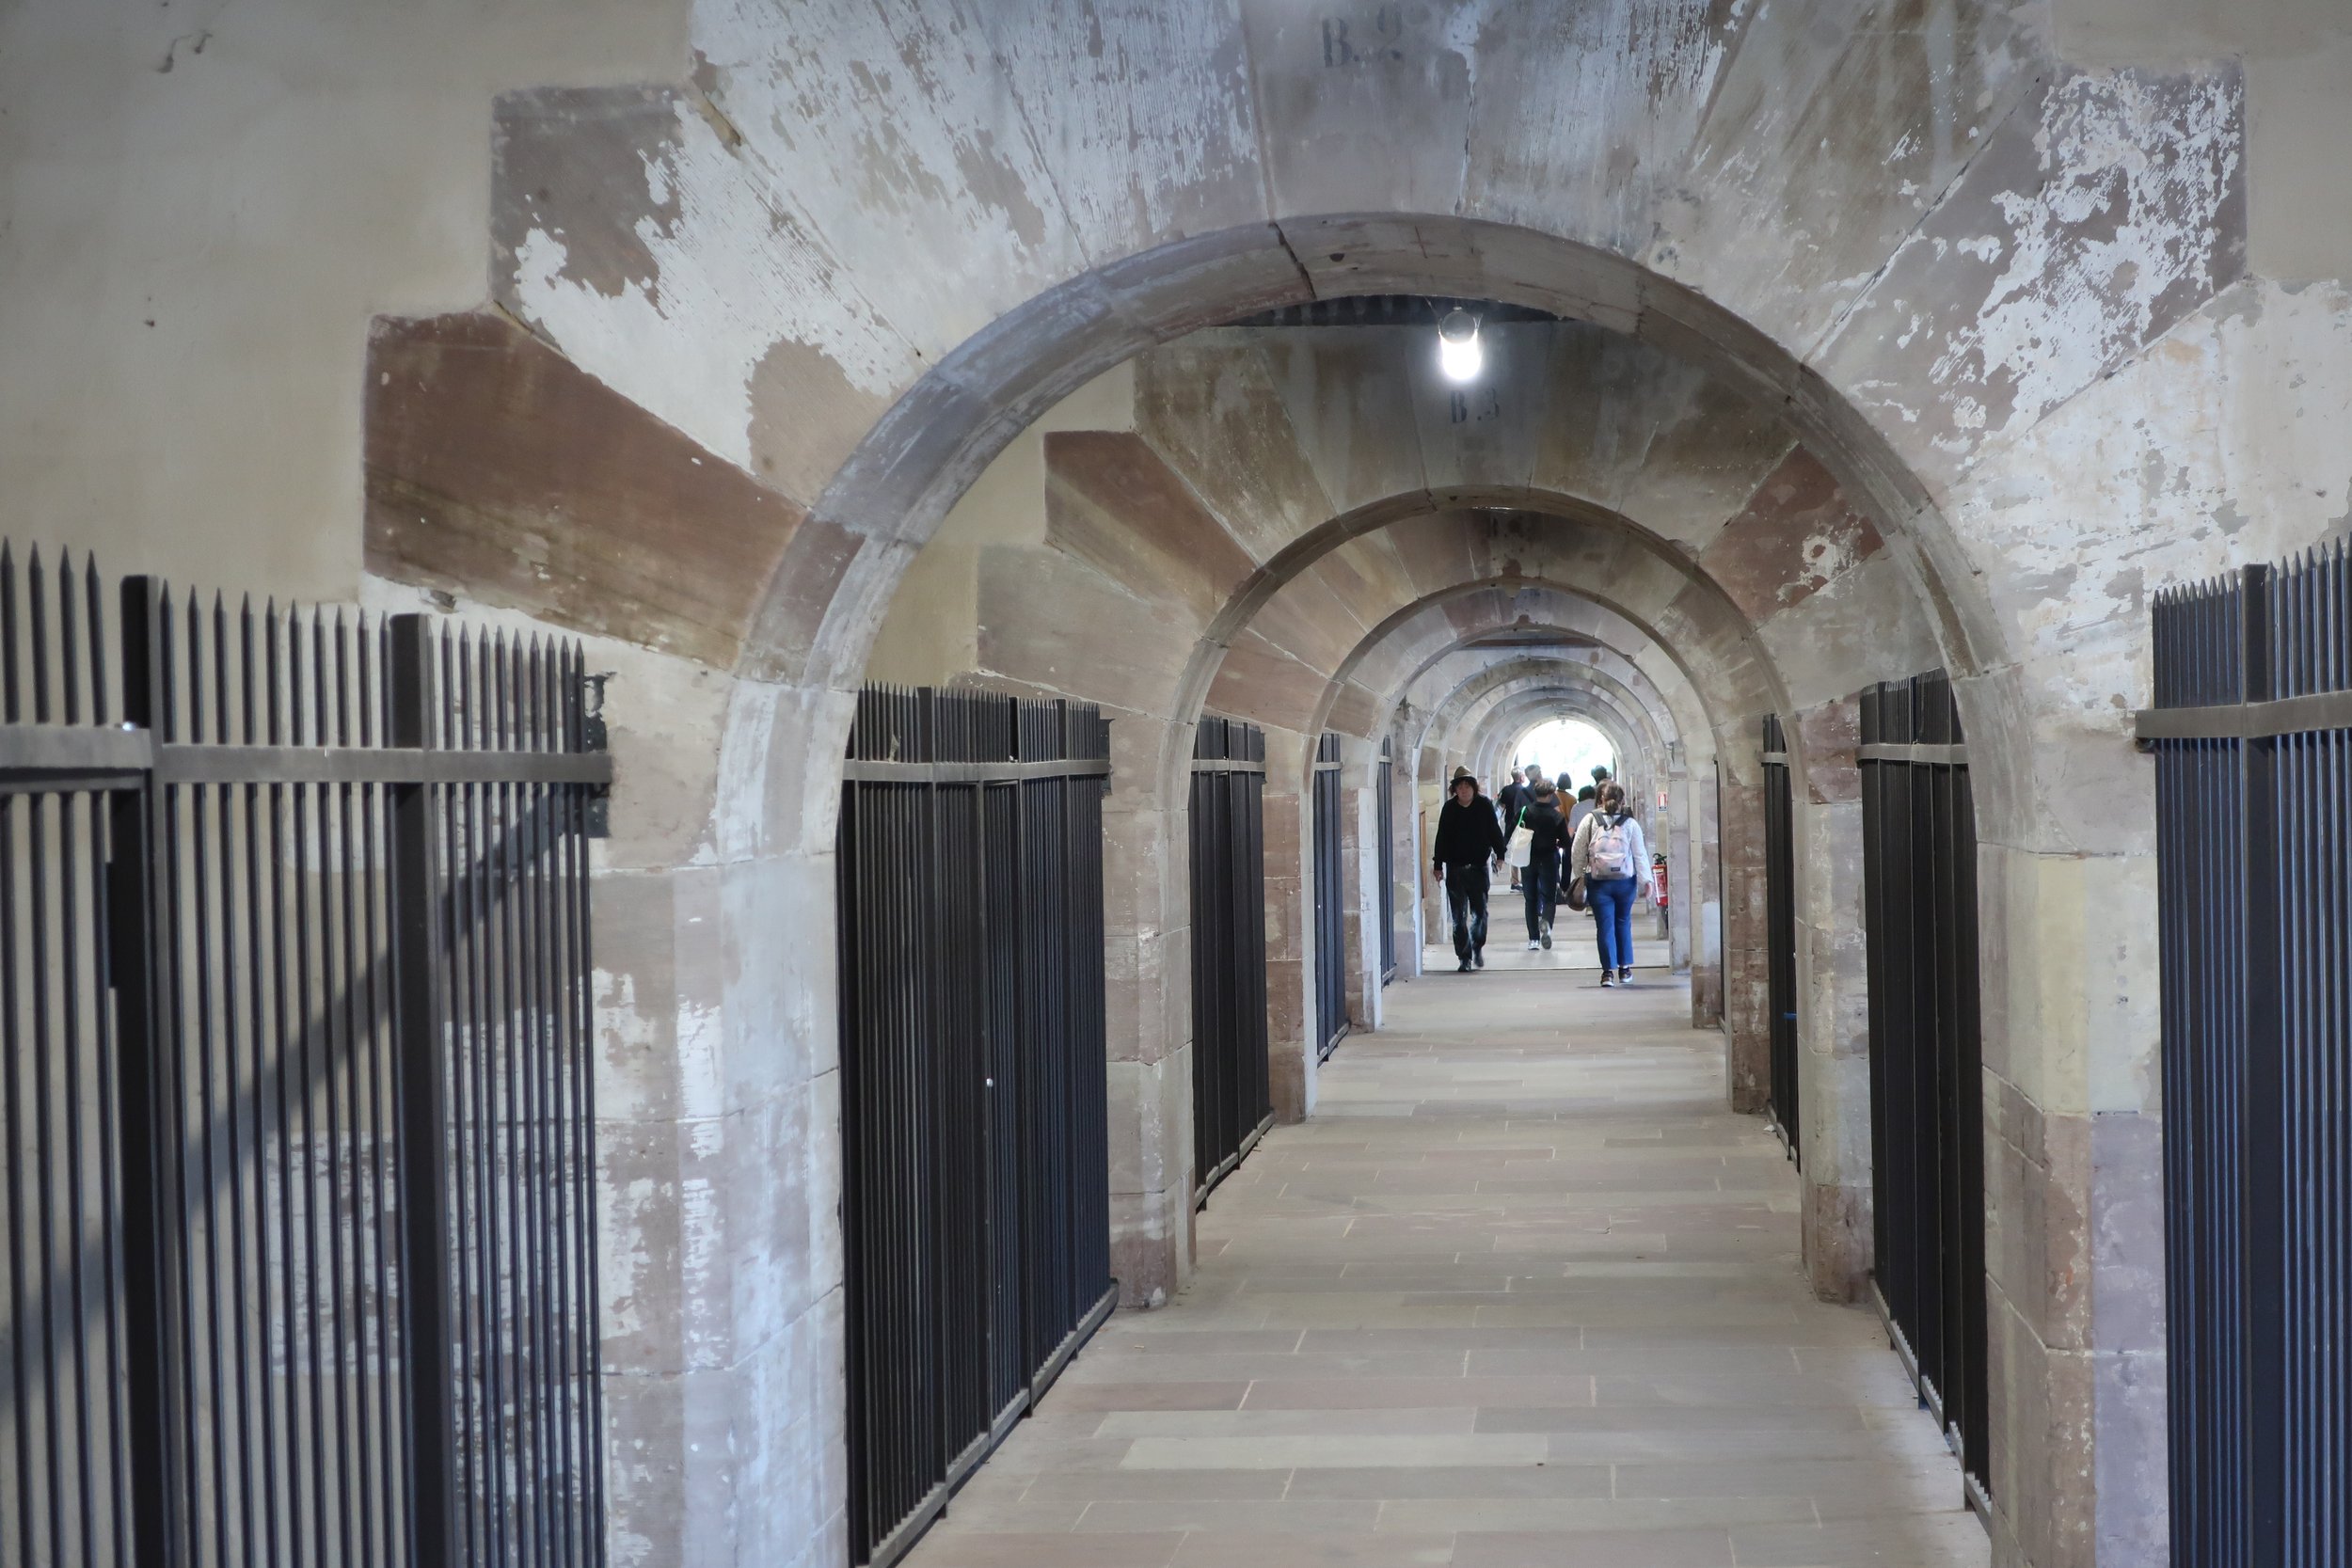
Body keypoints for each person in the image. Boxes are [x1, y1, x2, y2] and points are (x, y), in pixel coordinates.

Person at [1570, 781, 1654, 987]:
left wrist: (1581, 875)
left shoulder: (1590, 820)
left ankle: (1607, 973)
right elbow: (1639, 854)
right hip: (1625, 881)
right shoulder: (1630, 823)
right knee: (1623, 922)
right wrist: (1647, 881)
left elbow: (1577, 851)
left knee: (1604, 926)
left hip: (1599, 882)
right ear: (1622, 800)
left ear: (1600, 799)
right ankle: (1625, 970)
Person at [1430, 767, 1506, 972]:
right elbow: (1442, 837)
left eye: (1467, 786)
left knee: (1480, 913)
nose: (1463, 790)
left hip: (1478, 868)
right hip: (1455, 868)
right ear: (1454, 790)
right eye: (1459, 787)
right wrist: (1438, 865)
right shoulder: (1449, 808)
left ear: (1473, 788)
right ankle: (1464, 957)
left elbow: (1494, 830)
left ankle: (1477, 945)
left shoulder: (1483, 805)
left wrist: (1500, 855)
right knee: (1458, 917)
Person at [1514, 777, 1573, 950]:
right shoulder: (1556, 816)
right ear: (1551, 794)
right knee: (1549, 898)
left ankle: (1533, 939)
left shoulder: (1525, 812)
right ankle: (1546, 924)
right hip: (1548, 859)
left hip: (1528, 859)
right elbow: (1565, 842)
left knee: (1530, 899)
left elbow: (1511, 830)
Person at [1496, 766, 1531, 888]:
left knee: (1513, 851)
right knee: (1522, 850)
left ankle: (1514, 880)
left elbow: (1501, 804)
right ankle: (1524, 878)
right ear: (1521, 777)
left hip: (1509, 820)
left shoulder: (1506, 790)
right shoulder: (1524, 791)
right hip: (1522, 823)